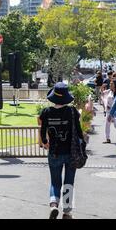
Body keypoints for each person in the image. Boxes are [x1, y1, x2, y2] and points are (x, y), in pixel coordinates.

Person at [39, 82, 85, 219]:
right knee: (69, 181)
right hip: (71, 152)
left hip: (54, 152)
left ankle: (53, 204)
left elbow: (43, 132)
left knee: (55, 181)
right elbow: (79, 131)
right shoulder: (72, 111)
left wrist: (46, 142)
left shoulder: (46, 112)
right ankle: (66, 212)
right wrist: (83, 145)